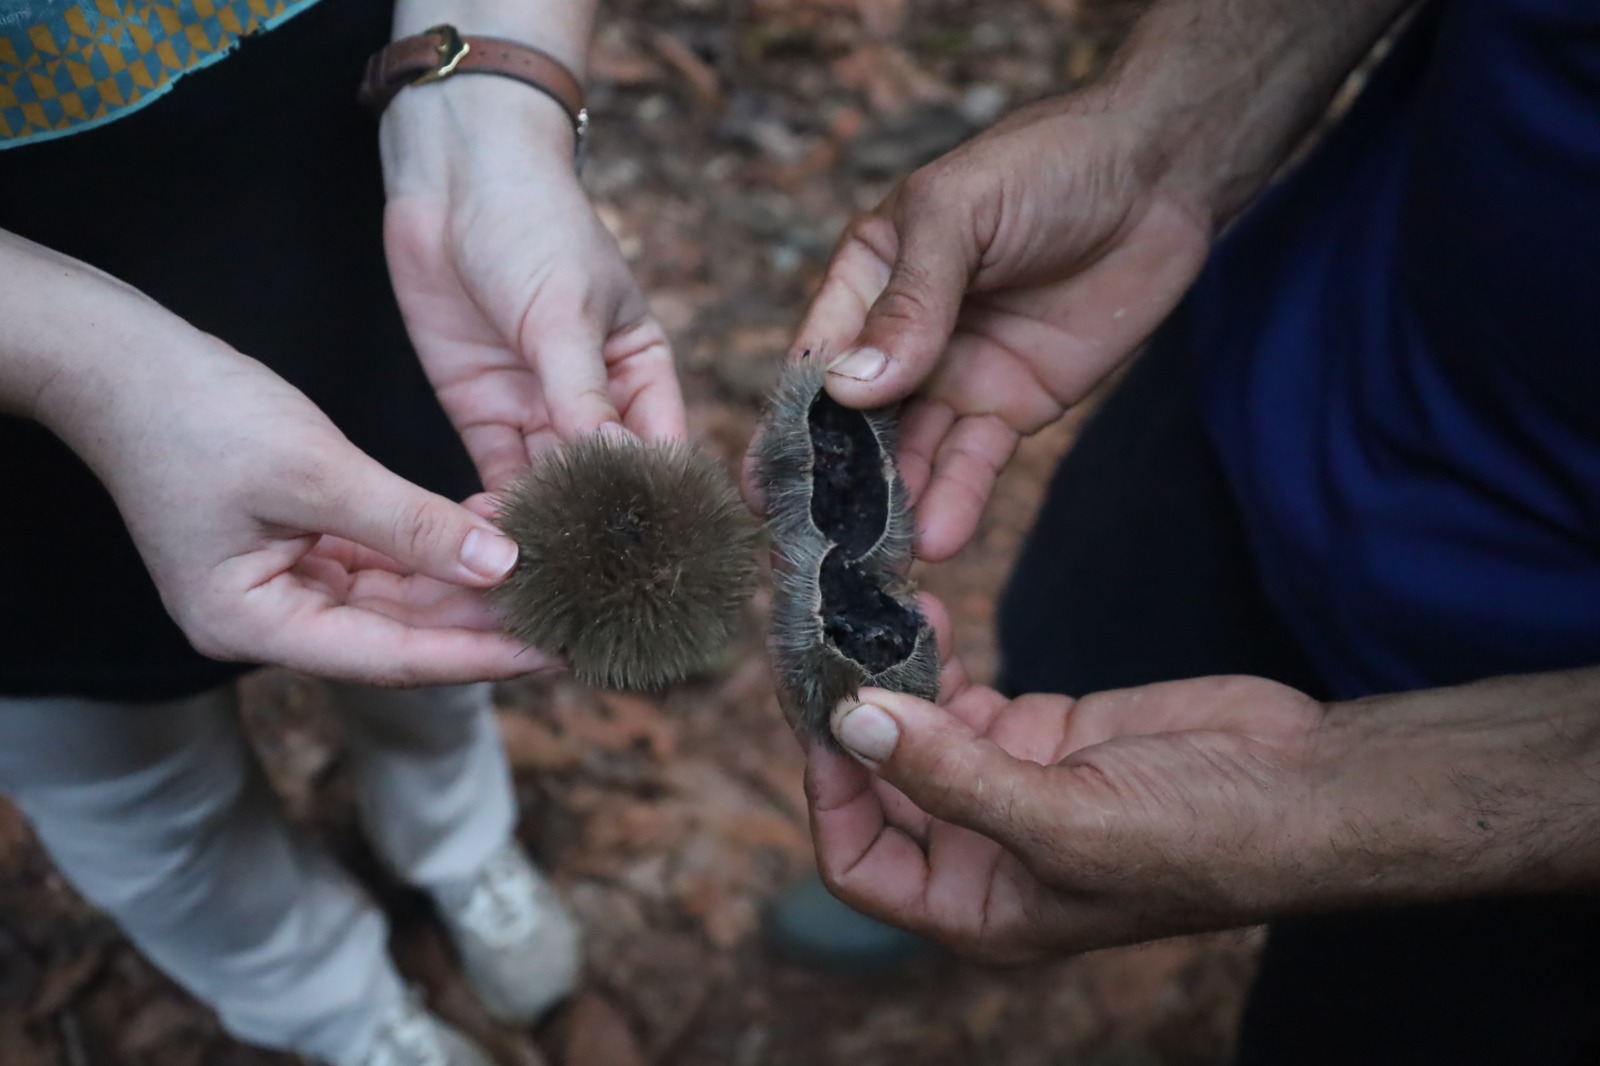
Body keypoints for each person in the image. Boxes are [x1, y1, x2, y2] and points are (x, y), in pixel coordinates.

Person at [780, 0, 1600, 1059]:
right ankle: (941, 829)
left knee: (1385, 1013)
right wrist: (1160, 130)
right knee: (1051, 667)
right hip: (1287, 361)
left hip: (1539, 772)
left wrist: (1389, 807)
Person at [0, 2, 683, 1064]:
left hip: (353, 218)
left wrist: (492, 94)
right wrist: (73, 363)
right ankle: (333, 1007)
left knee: (436, 641)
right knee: (129, 784)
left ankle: (456, 847)